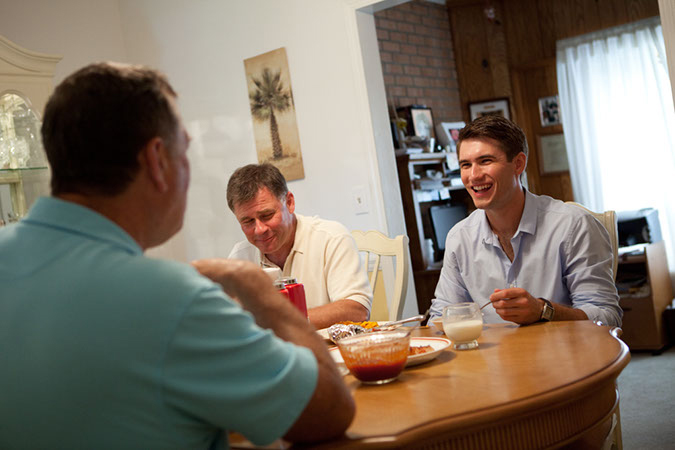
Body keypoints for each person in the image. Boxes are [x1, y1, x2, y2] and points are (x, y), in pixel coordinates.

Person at [0, 62, 354, 449]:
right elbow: (328, 412)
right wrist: (265, 297)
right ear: (157, 160)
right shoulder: (174, 299)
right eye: (184, 149)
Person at [428, 115, 622, 326]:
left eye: (485, 161)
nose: (473, 176)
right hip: (491, 358)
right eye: (466, 165)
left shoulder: (573, 226)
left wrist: (543, 310)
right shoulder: (459, 237)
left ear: (518, 164)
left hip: (562, 355)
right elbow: (441, 316)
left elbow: (607, 318)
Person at [226, 163, 373, 329]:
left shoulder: (332, 238)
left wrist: (281, 321)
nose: (259, 230)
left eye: (267, 215)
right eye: (247, 221)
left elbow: (357, 310)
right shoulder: (240, 257)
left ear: (289, 203)